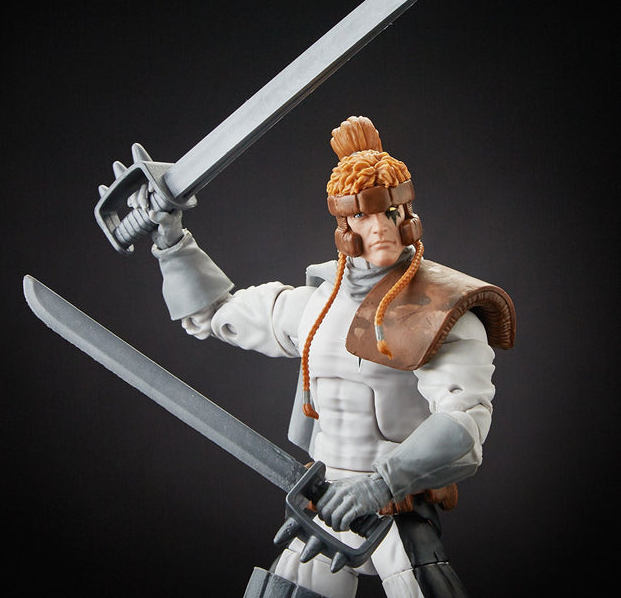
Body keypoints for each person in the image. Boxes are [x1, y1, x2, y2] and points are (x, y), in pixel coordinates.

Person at [119, 116, 515, 598]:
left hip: (396, 507)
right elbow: (214, 314)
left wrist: (380, 485)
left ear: (406, 214)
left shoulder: (444, 311)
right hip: (325, 503)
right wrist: (171, 241)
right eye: (364, 216)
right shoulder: (314, 306)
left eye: (390, 212)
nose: (381, 228)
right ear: (344, 224)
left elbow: (465, 424)